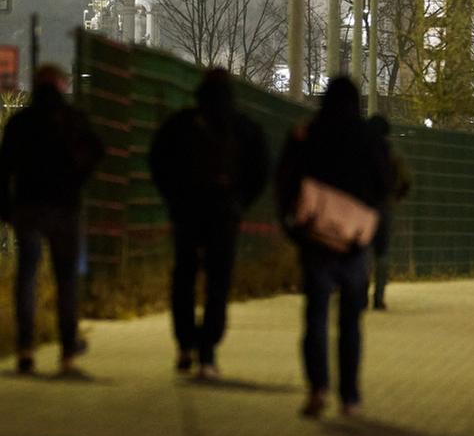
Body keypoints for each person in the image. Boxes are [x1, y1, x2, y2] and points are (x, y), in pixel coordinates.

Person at [276, 77, 392, 418]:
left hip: (316, 238)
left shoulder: (308, 133)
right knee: (350, 321)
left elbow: (285, 179)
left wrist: (293, 227)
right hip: (355, 241)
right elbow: (385, 184)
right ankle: (349, 396)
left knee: (315, 315)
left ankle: (318, 388)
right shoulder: (369, 138)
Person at [148, 68, 270, 379]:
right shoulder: (243, 127)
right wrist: (240, 203)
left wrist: (173, 198)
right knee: (218, 282)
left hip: (187, 212)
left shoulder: (181, 124)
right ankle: (208, 352)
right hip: (224, 214)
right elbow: (260, 170)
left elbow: (157, 161)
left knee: (184, 278)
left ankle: (184, 344)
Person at [0, 64, 105, 377]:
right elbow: (98, 150)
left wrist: (7, 208)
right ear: (62, 84)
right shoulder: (74, 120)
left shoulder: (21, 123)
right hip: (65, 207)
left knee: (27, 275)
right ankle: (67, 352)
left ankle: (25, 349)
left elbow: (3, 168)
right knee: (66, 279)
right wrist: (78, 179)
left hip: (28, 206)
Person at [366, 115, 412, 311]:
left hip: (363, 208)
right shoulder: (393, 155)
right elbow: (406, 181)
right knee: (382, 253)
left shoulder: (360, 153)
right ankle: (379, 298)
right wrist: (395, 199)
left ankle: (360, 296)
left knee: (362, 252)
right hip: (385, 207)